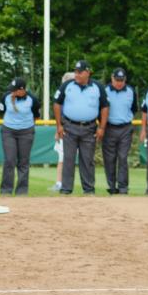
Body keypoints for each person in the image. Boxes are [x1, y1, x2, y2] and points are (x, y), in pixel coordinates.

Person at [53, 60, 108, 195]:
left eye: (80, 72)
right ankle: (66, 189)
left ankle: (88, 190)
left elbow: (105, 107)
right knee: (68, 159)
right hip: (69, 127)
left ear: (88, 72)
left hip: (89, 128)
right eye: (75, 72)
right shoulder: (67, 85)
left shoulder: (98, 87)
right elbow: (56, 104)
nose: (76, 75)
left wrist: (102, 128)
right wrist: (59, 125)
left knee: (87, 160)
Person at [0, 78, 40, 195]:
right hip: (8, 131)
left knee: (23, 162)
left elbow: (36, 116)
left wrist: (26, 126)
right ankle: (6, 190)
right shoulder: (6, 97)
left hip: (26, 132)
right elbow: (2, 111)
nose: (12, 92)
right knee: (9, 160)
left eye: (15, 90)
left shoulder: (33, 99)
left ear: (22, 90)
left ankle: (22, 191)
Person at [102, 68, 137, 195]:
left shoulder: (131, 91)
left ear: (125, 80)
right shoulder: (104, 91)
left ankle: (123, 187)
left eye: (121, 80)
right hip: (109, 128)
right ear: (112, 78)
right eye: (117, 80)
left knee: (123, 157)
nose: (119, 83)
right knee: (109, 158)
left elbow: (134, 108)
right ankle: (111, 186)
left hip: (125, 128)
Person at [49, 72, 74, 191]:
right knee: (62, 158)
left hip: (75, 129)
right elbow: (60, 116)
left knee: (66, 159)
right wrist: (57, 130)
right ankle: (59, 183)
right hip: (64, 130)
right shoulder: (63, 98)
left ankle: (64, 184)